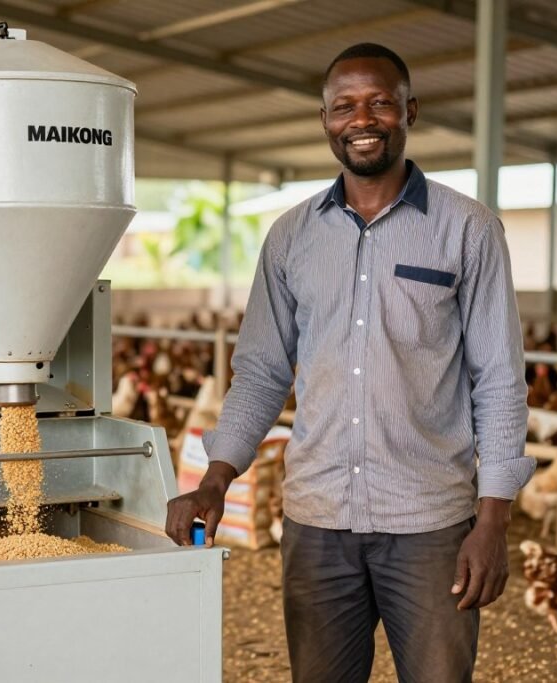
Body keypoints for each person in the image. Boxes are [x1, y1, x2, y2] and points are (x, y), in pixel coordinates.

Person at [165, 42, 534, 683]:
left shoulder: (467, 229)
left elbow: (499, 379)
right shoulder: (291, 237)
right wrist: (216, 476)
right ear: (325, 121)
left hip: (431, 523)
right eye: (344, 106)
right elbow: (260, 371)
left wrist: (494, 518)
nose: (361, 119)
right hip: (317, 523)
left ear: (409, 110)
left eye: (379, 102)